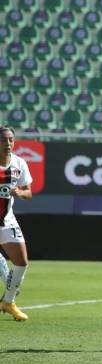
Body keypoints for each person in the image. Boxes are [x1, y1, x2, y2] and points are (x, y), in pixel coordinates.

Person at [0, 126, 33, 321]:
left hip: (6, 220)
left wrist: (20, 192)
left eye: (11, 139)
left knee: (21, 262)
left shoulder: (19, 163)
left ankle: (8, 302)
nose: (8, 143)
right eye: (4, 140)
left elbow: (29, 193)